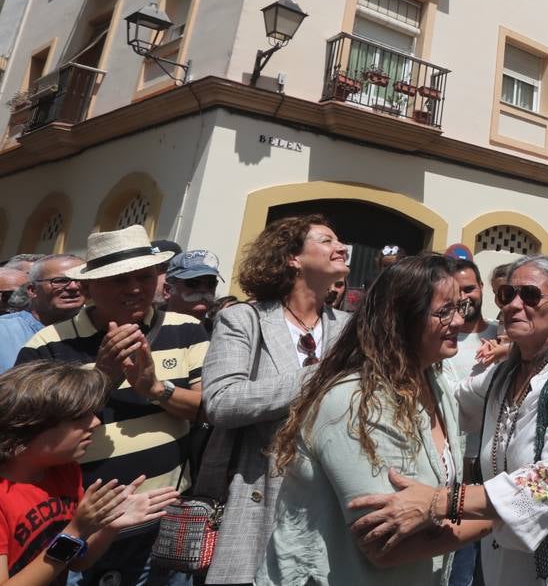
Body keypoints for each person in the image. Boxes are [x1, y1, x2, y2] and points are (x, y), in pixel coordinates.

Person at [348, 255, 548, 586]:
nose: (513, 304)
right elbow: (448, 405)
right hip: (506, 564)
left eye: (530, 295)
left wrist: (439, 501)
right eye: (507, 294)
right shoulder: (501, 376)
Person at [258, 253, 483, 585]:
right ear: (402, 318)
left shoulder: (436, 384)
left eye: (460, 309)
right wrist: (500, 513)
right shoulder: (356, 402)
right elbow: (384, 546)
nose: (459, 323)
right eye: (444, 312)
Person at [15, 225, 208, 586]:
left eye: (144, 277)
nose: (135, 288)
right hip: (83, 525)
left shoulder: (187, 329)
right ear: (88, 289)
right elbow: (31, 428)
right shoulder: (48, 344)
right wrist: (102, 375)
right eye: (119, 279)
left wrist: (154, 388)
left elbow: (210, 409)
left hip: (165, 518)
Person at [198, 215, 350, 586]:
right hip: (258, 495)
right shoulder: (243, 319)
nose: (341, 248)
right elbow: (221, 401)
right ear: (292, 258)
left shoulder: (349, 328)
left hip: (330, 502)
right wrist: (319, 376)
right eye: (326, 240)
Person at [0, 361, 179, 585]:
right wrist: (76, 530)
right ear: (28, 427)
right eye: (79, 417)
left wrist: (108, 526)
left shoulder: (65, 472)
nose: (95, 422)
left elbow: (76, 563)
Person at [437, 258, 499, 586]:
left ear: (482, 290)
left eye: (471, 288)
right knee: (458, 570)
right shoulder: (439, 340)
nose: (466, 296)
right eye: (458, 290)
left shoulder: (501, 337)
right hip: (454, 473)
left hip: (493, 473)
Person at [0, 256, 83, 373]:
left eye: (81, 280)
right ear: (32, 290)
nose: (74, 287)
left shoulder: (101, 330)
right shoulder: (4, 332)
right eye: (60, 281)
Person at [163, 250, 221, 323]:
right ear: (168, 290)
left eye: (211, 283)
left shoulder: (218, 331)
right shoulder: (150, 328)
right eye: (193, 283)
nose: (203, 289)